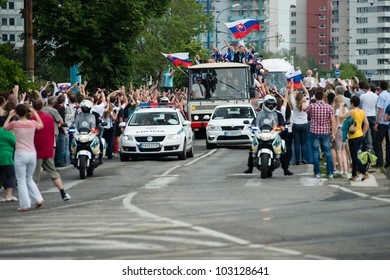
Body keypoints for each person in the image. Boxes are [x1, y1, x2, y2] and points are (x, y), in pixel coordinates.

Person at [3, 104, 44, 211]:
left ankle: (25, 204)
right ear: (27, 112)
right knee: (29, 178)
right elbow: (41, 125)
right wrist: (34, 112)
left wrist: (10, 115)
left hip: (20, 153)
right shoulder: (32, 123)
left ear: (17, 112)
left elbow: (4, 127)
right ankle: (38, 198)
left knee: (21, 180)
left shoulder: (14, 123)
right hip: (32, 152)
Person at [31, 100, 71, 201]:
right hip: (48, 148)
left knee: (35, 176)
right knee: (53, 173)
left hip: (37, 149)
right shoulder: (49, 118)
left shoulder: (32, 119)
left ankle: (37, 197)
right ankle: (63, 192)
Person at [244, 95, 293, 176]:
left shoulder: (278, 114)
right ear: (265, 104)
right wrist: (252, 126)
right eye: (269, 104)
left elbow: (282, 122)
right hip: (261, 132)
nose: (271, 106)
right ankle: (250, 168)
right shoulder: (260, 113)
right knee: (253, 148)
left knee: (282, 148)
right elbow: (255, 121)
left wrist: (282, 126)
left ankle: (285, 169)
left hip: (273, 132)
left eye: (272, 104)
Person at [306, 87, 336, 179]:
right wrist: (333, 133)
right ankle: (330, 172)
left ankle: (317, 173)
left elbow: (305, 110)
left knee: (315, 152)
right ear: (323, 97)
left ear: (315, 97)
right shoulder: (329, 107)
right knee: (327, 152)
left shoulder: (312, 106)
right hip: (325, 131)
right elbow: (333, 121)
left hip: (314, 131)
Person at [338, 96, 369, 181]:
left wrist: (341, 107)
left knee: (354, 157)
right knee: (354, 155)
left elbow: (340, 116)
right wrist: (363, 133)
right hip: (360, 135)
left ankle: (364, 172)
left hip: (353, 136)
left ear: (352, 103)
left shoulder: (352, 111)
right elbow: (367, 124)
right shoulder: (362, 112)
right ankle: (354, 174)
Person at [0, 117, 18, 202]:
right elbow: (14, 142)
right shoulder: (7, 132)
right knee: (11, 175)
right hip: (6, 157)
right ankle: (9, 194)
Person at [373, 80, 390, 168]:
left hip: (382, 122)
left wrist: (377, 122)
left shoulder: (381, 96)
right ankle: (388, 161)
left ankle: (380, 161)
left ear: (380, 87)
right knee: (388, 143)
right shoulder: (389, 95)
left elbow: (380, 110)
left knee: (377, 142)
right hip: (388, 122)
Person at [360, 83, 378, 152]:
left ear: (364, 89)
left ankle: (365, 148)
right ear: (370, 88)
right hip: (373, 115)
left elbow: (360, 105)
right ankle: (375, 147)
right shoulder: (375, 96)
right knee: (374, 133)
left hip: (365, 115)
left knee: (365, 133)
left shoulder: (362, 96)